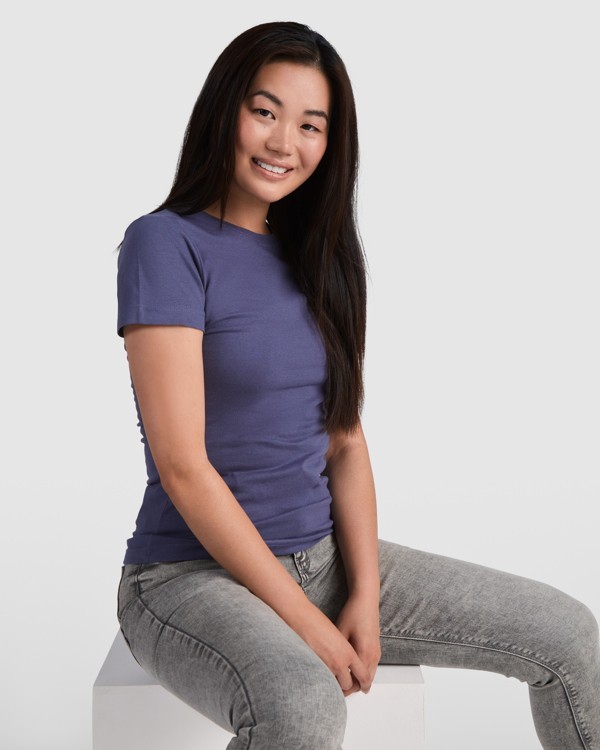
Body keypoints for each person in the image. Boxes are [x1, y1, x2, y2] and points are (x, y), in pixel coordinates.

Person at [114, 20, 599, 750]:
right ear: (224, 110)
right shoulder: (165, 243)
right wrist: (306, 623)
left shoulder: (319, 258)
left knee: (566, 633)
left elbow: (344, 443)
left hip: (327, 560)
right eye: (265, 111)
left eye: (311, 125)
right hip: (187, 578)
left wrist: (364, 597)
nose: (284, 142)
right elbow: (184, 468)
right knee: (303, 706)